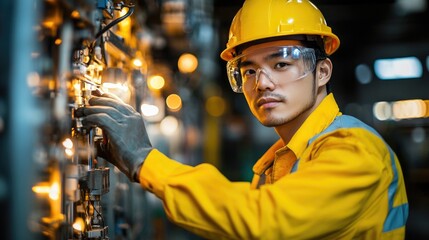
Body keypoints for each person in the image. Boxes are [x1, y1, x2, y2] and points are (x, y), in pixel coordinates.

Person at [77, 0, 409, 238]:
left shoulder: (354, 149)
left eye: (280, 64)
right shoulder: (280, 161)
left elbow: (264, 221)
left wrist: (145, 161)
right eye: (249, 70)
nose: (262, 83)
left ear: (321, 72)